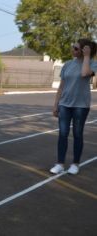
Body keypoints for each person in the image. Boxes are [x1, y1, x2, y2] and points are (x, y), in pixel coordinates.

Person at [50, 38, 97, 175]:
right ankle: (59, 164)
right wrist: (55, 104)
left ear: (83, 51)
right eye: (73, 47)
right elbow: (61, 86)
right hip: (64, 104)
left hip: (81, 106)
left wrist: (87, 56)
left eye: (76, 48)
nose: (73, 50)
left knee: (77, 134)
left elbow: (84, 73)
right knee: (63, 134)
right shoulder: (67, 64)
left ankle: (75, 164)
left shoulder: (92, 64)